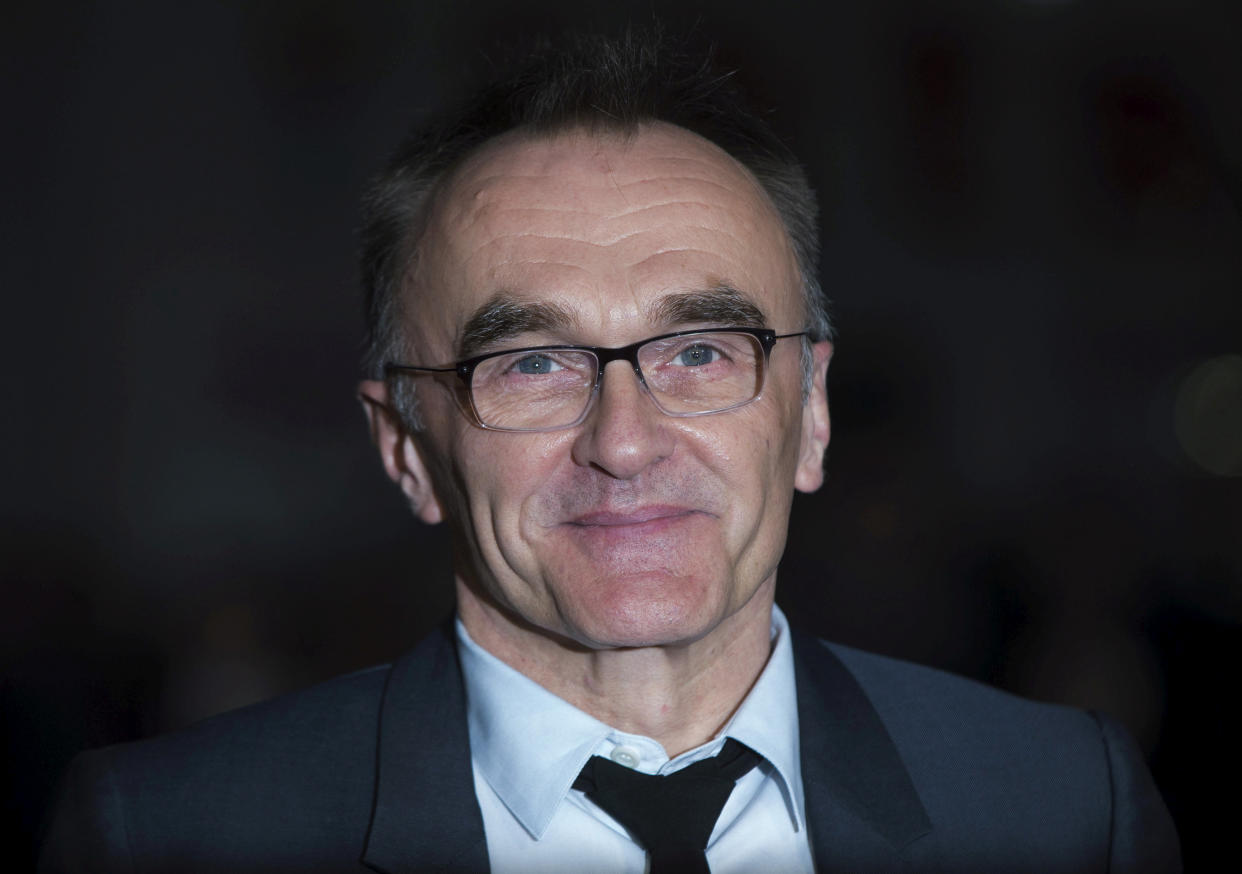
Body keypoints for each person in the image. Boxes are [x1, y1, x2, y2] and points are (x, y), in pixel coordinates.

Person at [40, 31, 1180, 873]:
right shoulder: (175, 836)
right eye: (531, 364)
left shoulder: (1062, 806)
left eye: (700, 350)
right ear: (404, 447)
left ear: (813, 410)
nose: (625, 442)